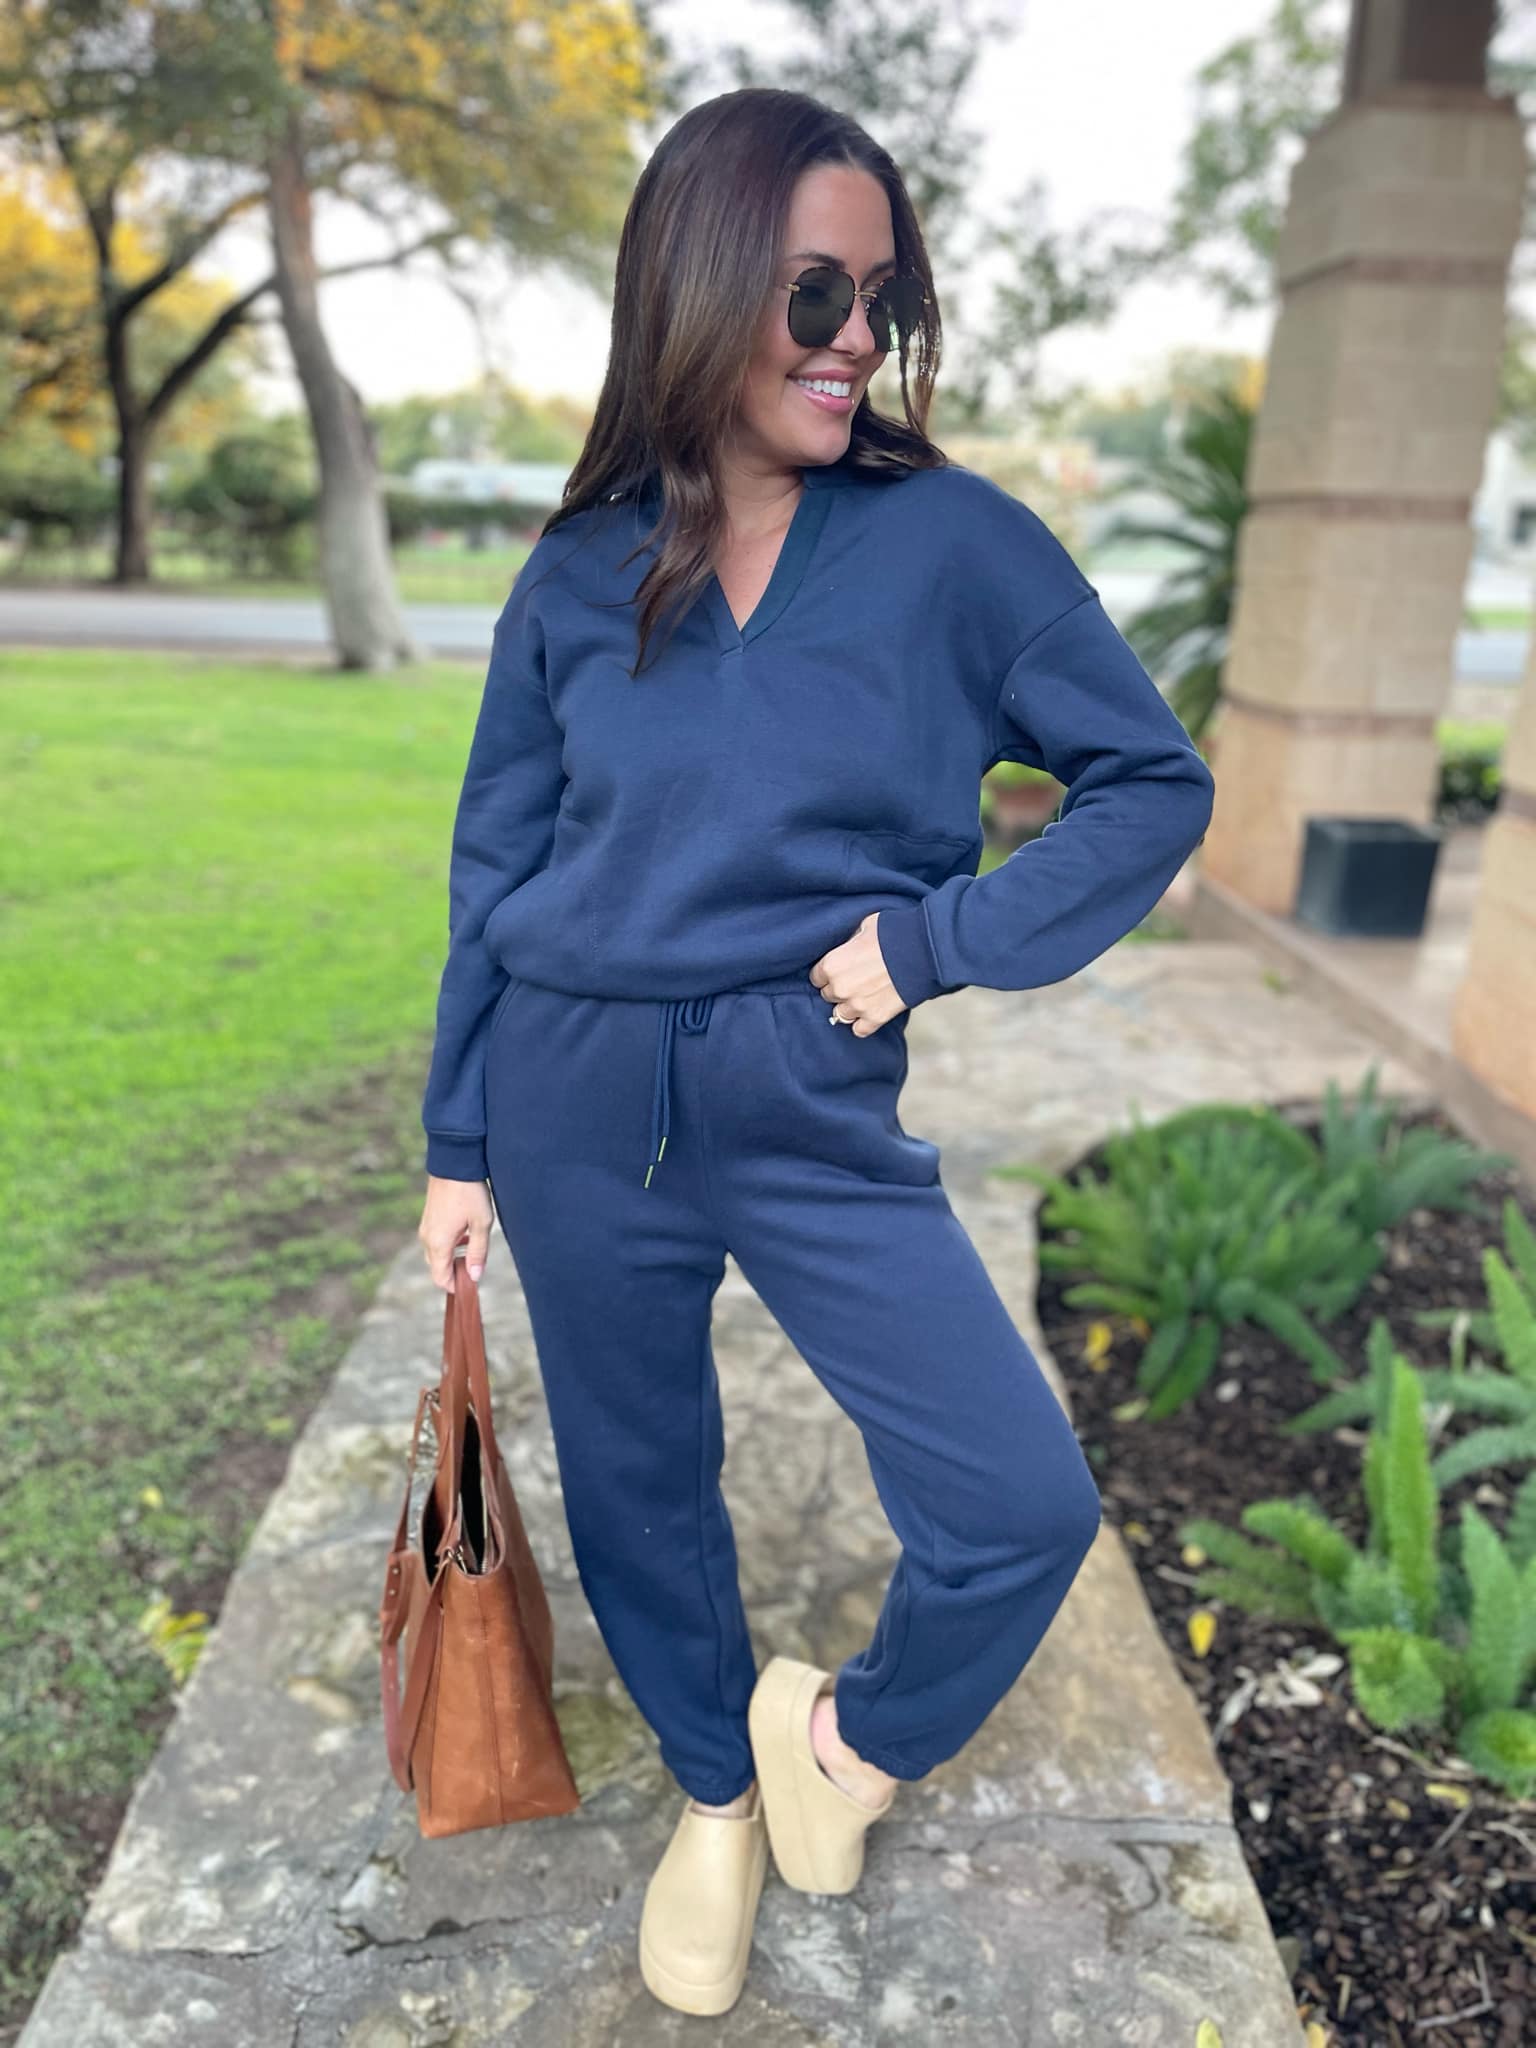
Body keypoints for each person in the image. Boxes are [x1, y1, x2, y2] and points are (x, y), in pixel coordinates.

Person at [416, 85, 1215, 2018]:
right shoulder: (579, 567)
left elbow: (1149, 781)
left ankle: (836, 1748)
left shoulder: (956, 546)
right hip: (575, 1094)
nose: (858, 334)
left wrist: (935, 942)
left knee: (1016, 1503)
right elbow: (496, 867)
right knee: (639, 1483)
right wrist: (458, 1141)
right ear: (697, 288)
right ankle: (713, 1792)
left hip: (806, 1093)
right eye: (814, 293)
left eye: (885, 294)